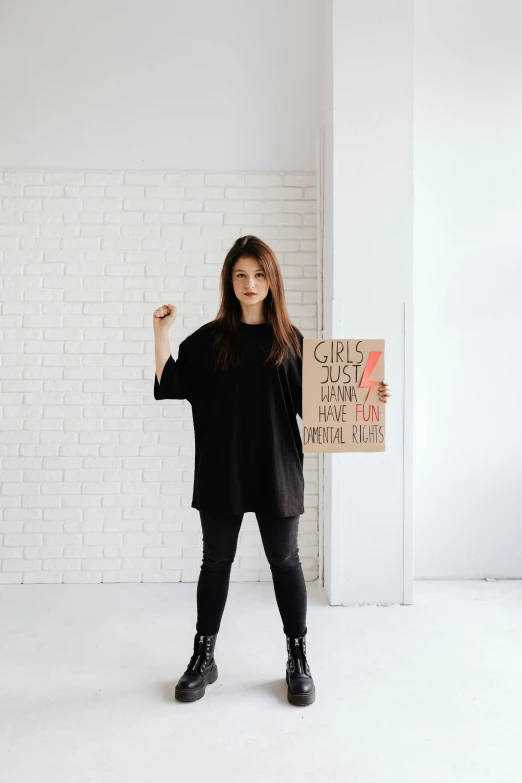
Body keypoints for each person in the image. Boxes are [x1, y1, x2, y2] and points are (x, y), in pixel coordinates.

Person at [152, 235, 391, 707]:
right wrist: (160, 331)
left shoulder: (292, 342)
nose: (250, 283)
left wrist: (370, 396)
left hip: (278, 469)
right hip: (223, 471)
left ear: (272, 280)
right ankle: (204, 656)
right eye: (240, 275)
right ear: (229, 281)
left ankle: (297, 656)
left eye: (258, 274)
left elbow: (321, 407)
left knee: (285, 562)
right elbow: (170, 383)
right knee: (215, 561)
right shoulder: (208, 339)